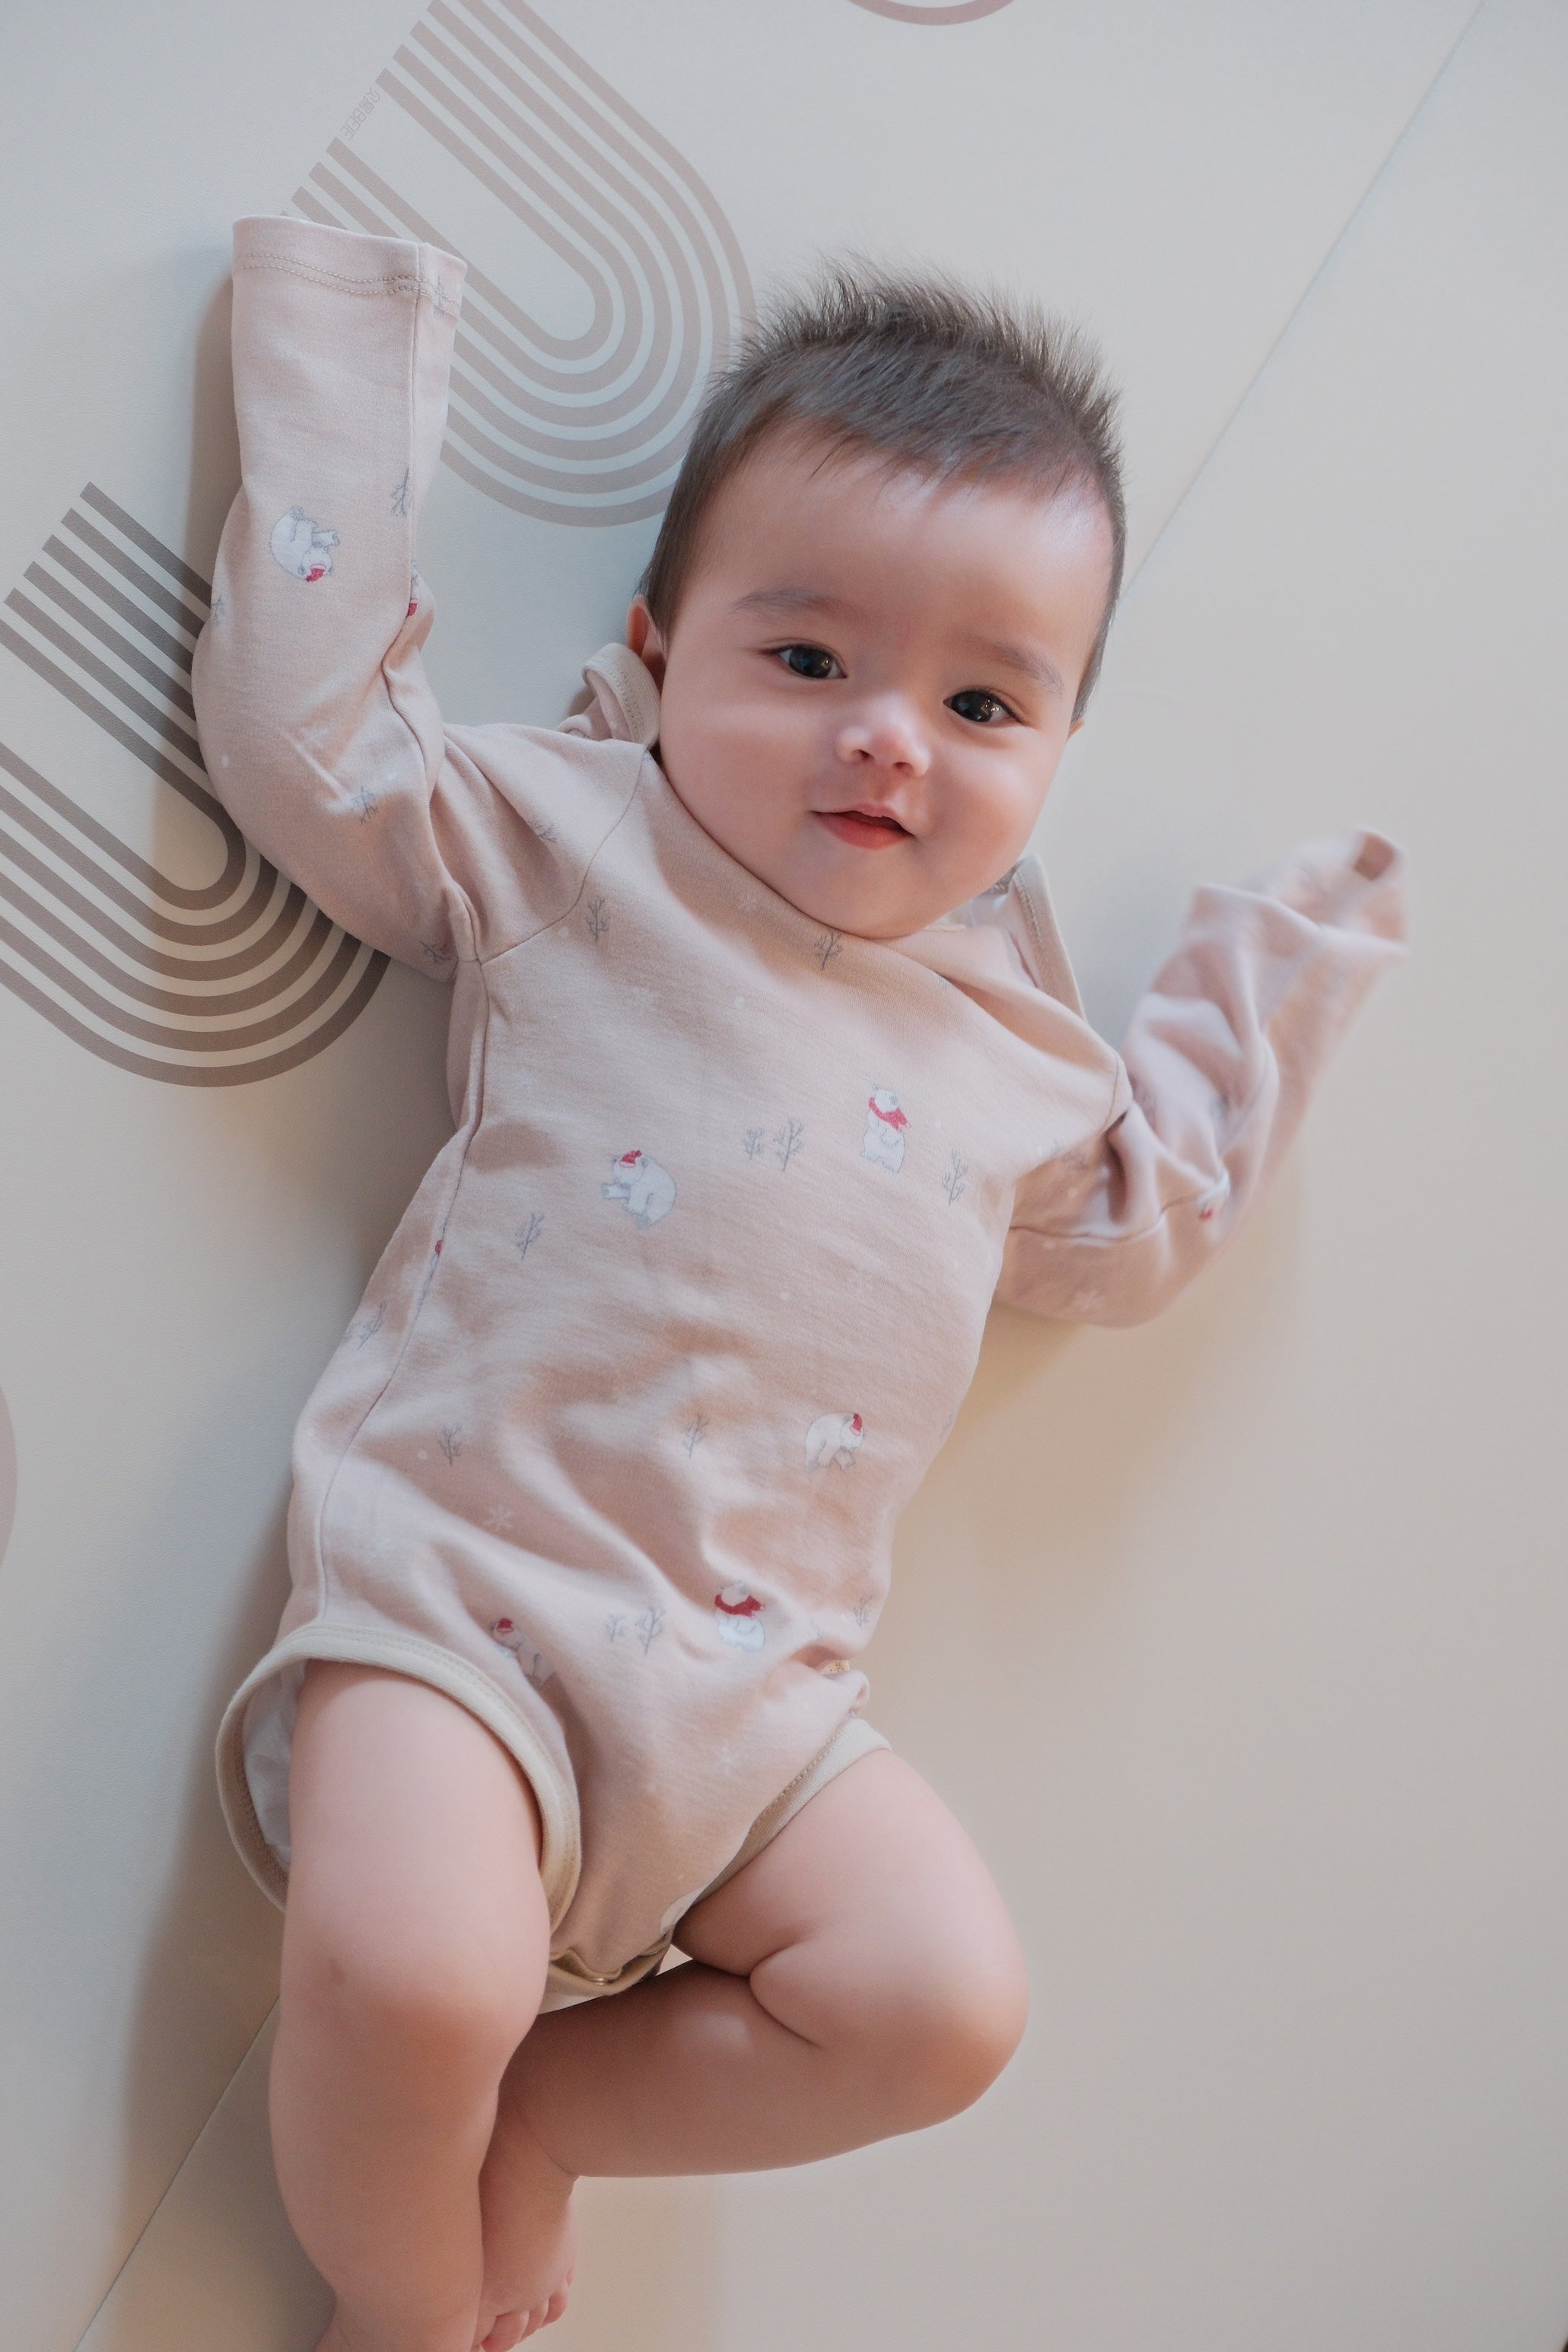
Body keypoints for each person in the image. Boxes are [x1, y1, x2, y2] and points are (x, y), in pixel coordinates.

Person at [192, 215, 1407, 2352]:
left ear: (1050, 754)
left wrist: (1273, 969)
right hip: (461, 1596)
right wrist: (340, 350)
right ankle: (400, 2316)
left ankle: (549, 2112)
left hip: (755, 1704)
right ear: (661, 651)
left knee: (944, 2002)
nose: (890, 744)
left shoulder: (1017, 1051)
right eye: (809, 660)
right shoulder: (572, 842)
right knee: (414, 1977)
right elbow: (316, 761)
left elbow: (1142, 1223)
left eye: (983, 700)